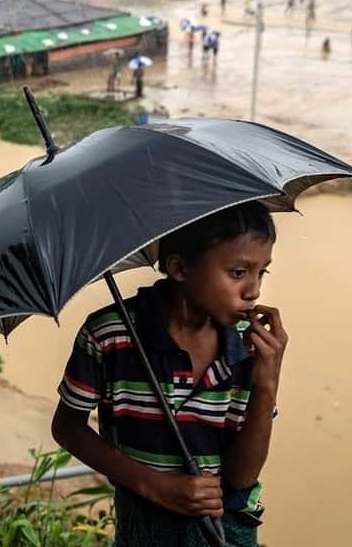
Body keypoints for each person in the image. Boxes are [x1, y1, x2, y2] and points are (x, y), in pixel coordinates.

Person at [52, 202, 287, 547]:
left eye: (261, 272)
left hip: (228, 527)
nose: (253, 291)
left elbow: (242, 476)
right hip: (143, 524)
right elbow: (67, 427)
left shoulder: (249, 346)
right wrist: (153, 484)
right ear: (179, 268)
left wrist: (267, 385)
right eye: (238, 273)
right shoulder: (111, 335)